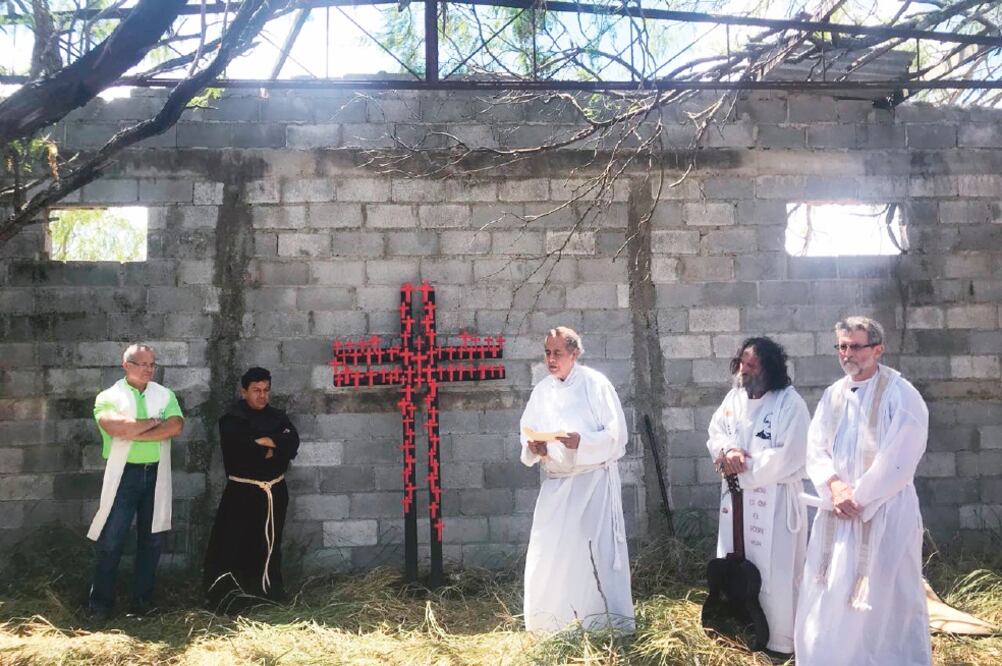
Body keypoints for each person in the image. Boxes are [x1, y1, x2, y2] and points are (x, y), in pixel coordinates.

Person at [795, 317, 932, 665]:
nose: (847, 353)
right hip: (837, 513)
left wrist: (858, 498)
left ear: (877, 349)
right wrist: (834, 486)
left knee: (884, 598)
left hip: (884, 513)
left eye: (855, 346)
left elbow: (900, 457)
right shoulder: (833, 395)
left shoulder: (901, 395)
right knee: (830, 594)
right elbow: (815, 447)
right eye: (842, 346)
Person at [518, 326, 634, 633]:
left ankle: (602, 625)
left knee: (592, 554)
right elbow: (528, 429)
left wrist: (581, 441)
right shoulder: (543, 390)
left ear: (574, 354)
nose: (551, 359)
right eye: (547, 352)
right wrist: (534, 446)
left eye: (557, 353)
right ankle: (552, 624)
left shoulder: (596, 385)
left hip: (592, 482)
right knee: (550, 553)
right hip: (557, 483)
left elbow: (617, 436)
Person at [705, 337, 810, 655]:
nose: (743, 370)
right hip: (735, 502)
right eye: (741, 363)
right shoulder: (733, 399)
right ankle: (741, 635)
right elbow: (716, 432)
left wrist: (743, 466)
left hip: (775, 503)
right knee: (735, 567)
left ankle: (780, 644)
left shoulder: (790, 404)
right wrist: (726, 451)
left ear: (770, 370)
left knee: (775, 575)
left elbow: (790, 455)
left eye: (751, 365)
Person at [87, 343, 185, 619]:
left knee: (152, 540)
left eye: (152, 364)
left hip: (155, 472)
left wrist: (134, 429)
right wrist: (154, 423)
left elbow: (176, 426)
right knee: (111, 540)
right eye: (142, 364)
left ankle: (142, 603)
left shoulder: (165, 394)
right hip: (124, 474)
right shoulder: (109, 396)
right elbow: (115, 427)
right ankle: (100, 605)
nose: (148, 369)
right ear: (126, 365)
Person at [203, 367, 300, 612]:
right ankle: (233, 598)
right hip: (242, 494)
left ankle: (267, 593)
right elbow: (242, 451)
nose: (262, 396)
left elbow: (292, 442)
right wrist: (271, 447)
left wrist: (268, 444)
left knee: (269, 543)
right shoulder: (231, 420)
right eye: (256, 390)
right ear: (243, 391)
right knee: (236, 543)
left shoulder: (278, 417)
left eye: (266, 390)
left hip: (274, 492)